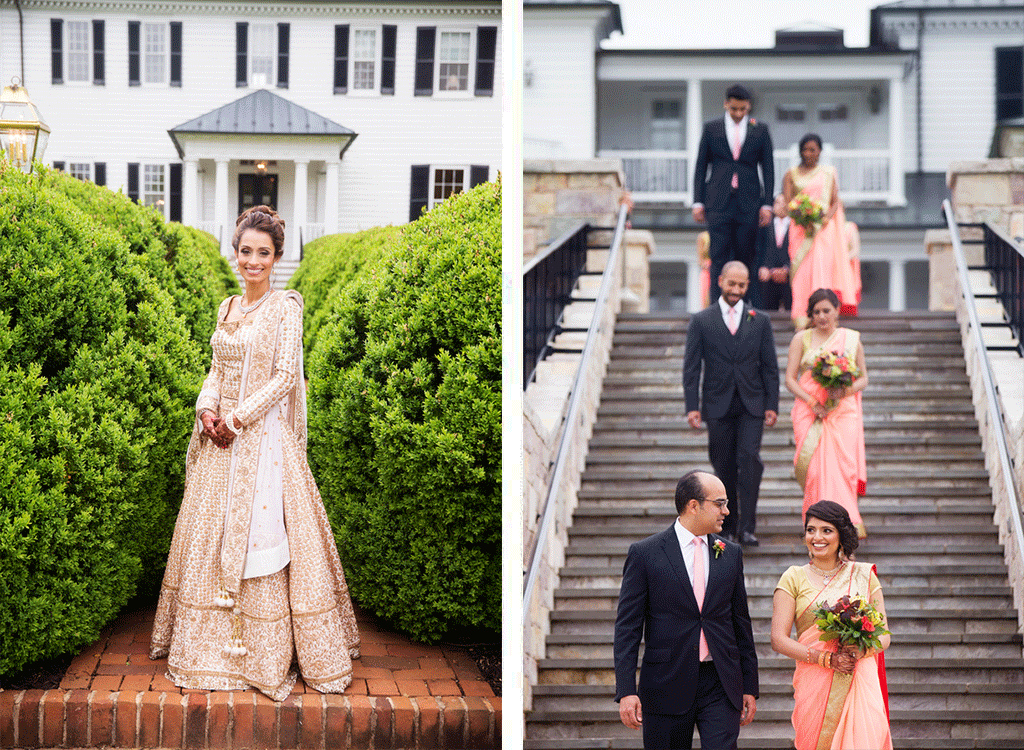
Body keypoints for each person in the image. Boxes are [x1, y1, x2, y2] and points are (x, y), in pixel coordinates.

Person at [150, 206, 360, 701]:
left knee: (262, 542)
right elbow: (216, 372)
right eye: (246, 251)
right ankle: (206, 653)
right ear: (235, 252)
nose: (253, 261)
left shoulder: (285, 309)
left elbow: (285, 377)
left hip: (263, 444)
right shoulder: (226, 308)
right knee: (208, 535)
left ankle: (267, 655)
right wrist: (206, 412)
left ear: (277, 257)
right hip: (219, 443)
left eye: (263, 253)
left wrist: (237, 420)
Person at [615, 470, 759, 749]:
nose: (727, 511)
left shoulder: (730, 554)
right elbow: (627, 628)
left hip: (721, 682)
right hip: (665, 682)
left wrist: (749, 686)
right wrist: (626, 691)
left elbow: (741, 622)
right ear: (694, 505)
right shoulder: (645, 553)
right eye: (720, 503)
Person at [770, 500, 892, 750]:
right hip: (814, 680)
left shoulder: (864, 575)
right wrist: (825, 659)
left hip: (858, 679)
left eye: (826, 530)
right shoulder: (793, 577)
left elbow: (884, 636)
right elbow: (778, 640)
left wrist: (859, 651)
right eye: (811, 529)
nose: (817, 537)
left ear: (841, 535)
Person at [683, 261, 780, 545]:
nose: (736, 290)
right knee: (723, 466)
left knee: (749, 461)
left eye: (741, 285)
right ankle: (727, 526)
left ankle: (747, 527)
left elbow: (770, 367)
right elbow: (691, 367)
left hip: (752, 404)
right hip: (716, 404)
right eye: (731, 284)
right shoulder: (701, 320)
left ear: (747, 286)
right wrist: (692, 406)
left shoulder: (759, 320)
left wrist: (771, 404)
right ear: (721, 281)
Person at [785, 288, 868, 538]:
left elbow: (863, 378)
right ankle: (817, 529)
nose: (822, 316)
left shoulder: (851, 339)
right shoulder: (801, 339)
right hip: (809, 412)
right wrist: (812, 402)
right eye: (816, 311)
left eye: (826, 311)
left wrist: (842, 392)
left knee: (843, 469)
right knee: (815, 472)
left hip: (842, 412)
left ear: (837, 311)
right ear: (810, 314)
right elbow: (790, 379)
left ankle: (845, 529)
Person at [692, 84, 775, 302]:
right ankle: (715, 307)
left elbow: (768, 168)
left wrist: (767, 204)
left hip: (749, 202)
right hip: (718, 201)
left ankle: (749, 308)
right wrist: (697, 201)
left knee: (747, 255)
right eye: (734, 109)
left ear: (749, 107)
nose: (738, 114)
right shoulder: (712, 128)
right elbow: (701, 165)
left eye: (743, 110)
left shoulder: (761, 129)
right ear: (726, 104)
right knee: (718, 256)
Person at [783, 133, 861, 328]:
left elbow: (835, 201)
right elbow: (788, 202)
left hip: (823, 229)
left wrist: (825, 218)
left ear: (820, 152)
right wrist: (802, 217)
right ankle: (801, 316)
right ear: (800, 151)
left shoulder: (828, 172)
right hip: (801, 229)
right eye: (805, 149)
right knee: (801, 271)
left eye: (813, 149)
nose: (809, 153)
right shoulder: (791, 174)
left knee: (822, 270)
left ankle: (822, 314)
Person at [751, 193, 792, 311]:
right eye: (778, 202)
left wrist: (787, 269)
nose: (782, 206)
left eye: (786, 202)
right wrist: (761, 268)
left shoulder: (796, 225)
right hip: (767, 277)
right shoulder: (764, 226)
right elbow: (757, 249)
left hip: (788, 276)